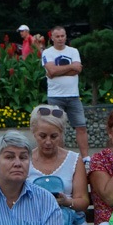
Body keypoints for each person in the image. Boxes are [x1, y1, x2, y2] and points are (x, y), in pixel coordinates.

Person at [41, 26, 90, 160]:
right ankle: (61, 157)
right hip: (55, 96)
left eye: (63, 36)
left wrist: (56, 71)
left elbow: (77, 69)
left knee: (81, 126)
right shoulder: (47, 52)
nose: (61, 39)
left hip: (73, 96)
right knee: (58, 129)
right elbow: (51, 70)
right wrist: (69, 68)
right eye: (57, 36)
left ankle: (85, 157)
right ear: (52, 38)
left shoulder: (73, 51)